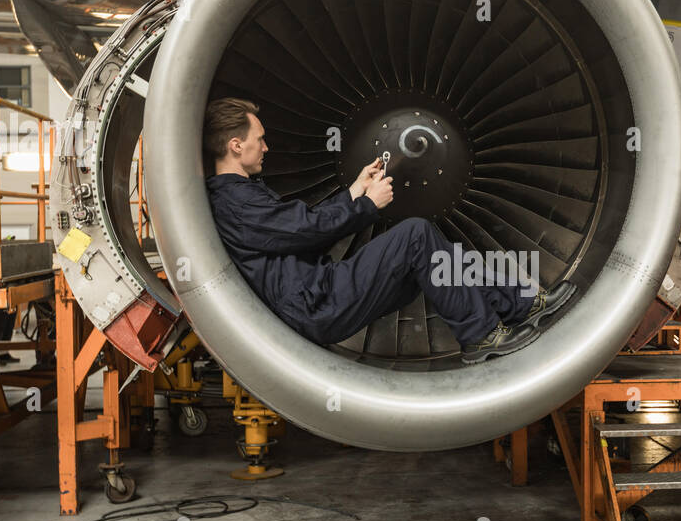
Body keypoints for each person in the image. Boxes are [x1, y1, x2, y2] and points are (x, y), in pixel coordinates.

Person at [202, 98, 574, 362]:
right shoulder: (235, 202)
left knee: (435, 258)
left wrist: (355, 189)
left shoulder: (243, 195)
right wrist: (367, 205)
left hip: (319, 293)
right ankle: (480, 336)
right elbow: (307, 229)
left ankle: (521, 303)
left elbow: (298, 226)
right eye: (259, 139)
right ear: (236, 145)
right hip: (316, 303)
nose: (266, 147)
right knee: (415, 234)